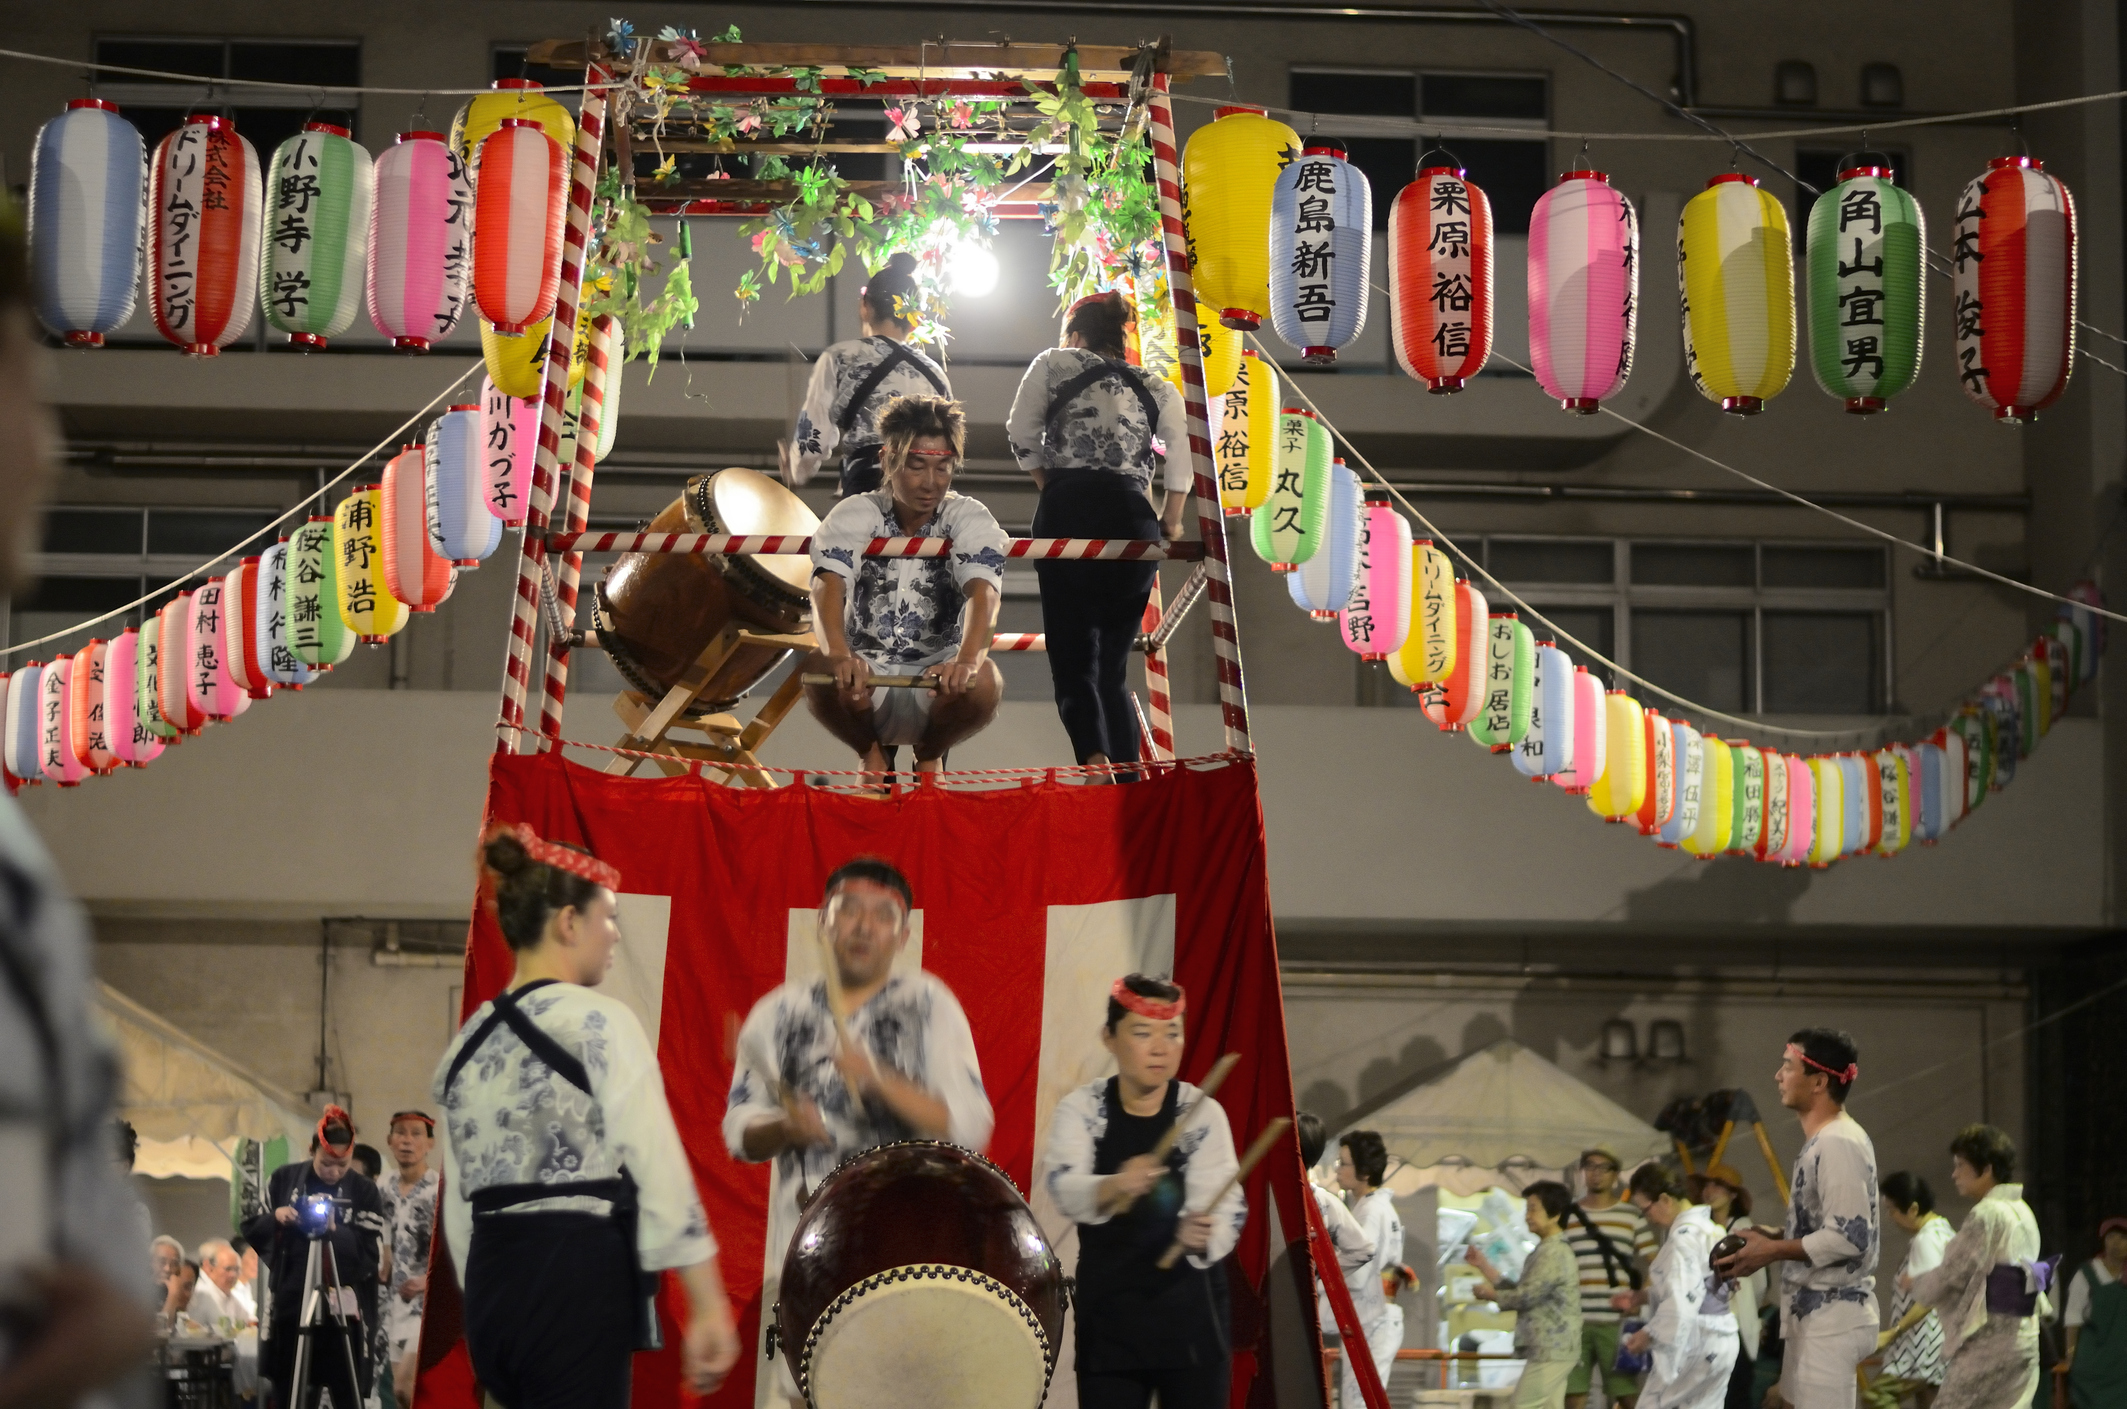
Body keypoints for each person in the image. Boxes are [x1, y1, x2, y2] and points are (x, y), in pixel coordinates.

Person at [434, 825, 739, 1409]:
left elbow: (459, 1213)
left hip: (494, 1286)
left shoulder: (467, 1044)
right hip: (573, 1273)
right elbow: (658, 1168)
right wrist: (706, 1302)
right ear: (568, 923)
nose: (615, 935)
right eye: (608, 917)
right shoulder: (601, 1023)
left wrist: (487, 1315)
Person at [725, 856, 993, 1408]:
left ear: (904, 933)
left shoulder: (929, 1007)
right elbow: (739, 1132)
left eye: (884, 915)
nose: (864, 926)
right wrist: (783, 1127)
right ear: (822, 921)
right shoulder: (777, 1014)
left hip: (909, 1262)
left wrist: (877, 1081)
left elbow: (970, 1127)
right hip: (804, 1262)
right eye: (849, 911)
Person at [1005, 290, 1191, 776]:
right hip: (1132, 519)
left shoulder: (1052, 362)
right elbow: (1183, 456)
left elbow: (1020, 433)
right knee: (1113, 667)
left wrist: (1050, 486)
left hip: (1066, 511)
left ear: (1076, 334)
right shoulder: (1156, 384)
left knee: (1072, 661)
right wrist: (1170, 518)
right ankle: (1129, 776)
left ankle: (1094, 761)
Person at [1039, 974, 1245, 1409]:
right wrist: (1115, 1185)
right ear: (1109, 1038)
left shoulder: (1202, 1113)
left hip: (1193, 1322)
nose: (1159, 1047)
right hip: (1111, 1318)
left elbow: (1224, 1204)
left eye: (1172, 1033)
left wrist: (1202, 1231)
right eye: (1142, 1032)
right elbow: (1064, 1187)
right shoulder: (1082, 1110)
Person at [800, 395, 1006, 777]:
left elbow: (985, 594)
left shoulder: (969, 515)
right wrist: (840, 654)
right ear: (887, 459)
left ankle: (930, 754)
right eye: (916, 466)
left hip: (938, 678)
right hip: (864, 677)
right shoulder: (855, 511)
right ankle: (870, 753)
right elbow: (827, 586)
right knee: (819, 665)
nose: (930, 483)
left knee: (986, 681)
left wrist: (966, 661)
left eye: (943, 468)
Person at [1715, 1030, 1880, 1409]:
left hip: (1832, 1319)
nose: (1778, 1075)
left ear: (1819, 1081)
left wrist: (1772, 1250)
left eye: (1788, 1066)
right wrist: (1775, 1235)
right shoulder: (1827, 1139)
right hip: (1817, 1316)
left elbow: (1849, 1238)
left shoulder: (1838, 1142)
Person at [241, 1106, 388, 1409]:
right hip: (293, 1301)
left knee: (346, 1389)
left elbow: (369, 1256)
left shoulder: (365, 1191)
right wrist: (277, 1217)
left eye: (342, 1165)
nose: (334, 1172)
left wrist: (336, 1230)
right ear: (311, 1150)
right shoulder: (283, 1179)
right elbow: (252, 1226)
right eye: (326, 1163)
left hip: (344, 1305)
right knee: (289, 1387)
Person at [783, 251, 952, 497]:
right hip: (924, 492)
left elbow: (813, 440)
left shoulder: (841, 356)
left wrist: (796, 470)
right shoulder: (936, 374)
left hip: (869, 483)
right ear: (915, 319)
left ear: (865, 306)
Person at [1903, 1125, 2046, 1409]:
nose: (1954, 1174)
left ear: (1986, 1169)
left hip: (1990, 1342)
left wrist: (1916, 1283)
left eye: (1961, 1166)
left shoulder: (1987, 1213)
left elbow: (1953, 1271)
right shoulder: (2023, 1211)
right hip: (2025, 1337)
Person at [1617, 1164, 1737, 1409]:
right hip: (1723, 1337)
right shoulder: (1712, 1228)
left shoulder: (1683, 1237)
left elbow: (1683, 1301)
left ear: (1664, 1199)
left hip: (1696, 1339)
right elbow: (1697, 1287)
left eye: (1646, 1209)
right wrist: (1643, 1297)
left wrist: (1648, 1334)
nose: (1648, 1217)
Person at [1470, 1180, 1583, 1409]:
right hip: (1555, 1347)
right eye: (1527, 1209)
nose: (1527, 1215)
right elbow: (1524, 1291)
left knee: (1522, 1405)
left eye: (1533, 1208)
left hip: (1552, 1347)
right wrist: (1485, 1267)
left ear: (1555, 1214)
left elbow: (1526, 1295)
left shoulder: (1553, 1252)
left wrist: (1492, 1295)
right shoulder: (1547, 1249)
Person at [1565, 1145, 1659, 1409]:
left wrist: (1637, 1299)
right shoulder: (1567, 1215)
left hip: (1615, 1322)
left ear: (1615, 1175)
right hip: (1575, 1321)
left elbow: (1658, 1262)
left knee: (1626, 1395)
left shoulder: (1631, 1215)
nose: (1596, 1174)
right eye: (1590, 1167)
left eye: (1603, 1168)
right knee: (1573, 1396)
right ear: (1583, 1172)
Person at [1295, 1112, 1377, 1385]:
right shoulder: (1325, 1200)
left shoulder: (1265, 1194)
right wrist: (1316, 1273)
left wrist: (1317, 1272)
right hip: (1302, 1311)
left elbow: (1363, 1249)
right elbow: (1362, 1249)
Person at [1867, 1172, 1950, 1409]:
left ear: (1912, 1209)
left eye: (1893, 1210)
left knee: (1876, 1398)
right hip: (1938, 1344)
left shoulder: (1927, 1240)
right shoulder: (1943, 1231)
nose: (1890, 1217)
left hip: (1923, 1346)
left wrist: (1893, 1332)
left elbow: (1930, 1296)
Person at [1334, 1130, 1405, 1408]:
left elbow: (1360, 1270)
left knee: (1358, 1403)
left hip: (1372, 1315)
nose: (1338, 1169)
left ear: (1364, 1172)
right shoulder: (1373, 1208)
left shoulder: (1371, 1211)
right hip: (1374, 1315)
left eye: (1343, 1163)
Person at [1686, 1164, 1765, 1409]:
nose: (1710, 1190)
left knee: (1734, 1394)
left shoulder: (1746, 1231)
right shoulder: (1699, 1229)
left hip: (1735, 1326)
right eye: (1707, 1184)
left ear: (1733, 1195)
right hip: (1704, 1326)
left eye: (1719, 1185)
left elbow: (1759, 1284)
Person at [376, 1110, 439, 1407]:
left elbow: (458, 1251)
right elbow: (383, 1227)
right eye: (400, 1133)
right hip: (394, 1304)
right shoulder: (384, 1187)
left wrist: (427, 1282)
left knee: (407, 1387)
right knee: (402, 1397)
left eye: (416, 1134)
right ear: (389, 1141)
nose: (407, 1141)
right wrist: (385, 1259)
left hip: (427, 1306)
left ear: (430, 1144)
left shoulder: (440, 1191)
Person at [2062, 1216, 2126, 1408]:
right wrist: (2070, 1355)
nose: (2115, 1243)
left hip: (2122, 1365)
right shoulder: (2087, 1273)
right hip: (2092, 1362)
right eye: (2111, 1236)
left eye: (2122, 1238)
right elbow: (2073, 1317)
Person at [187, 1240, 255, 1337]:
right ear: (208, 1267)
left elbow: (247, 1321)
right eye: (228, 1269)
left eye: (236, 1269)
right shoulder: (201, 1292)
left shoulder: (227, 1293)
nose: (233, 1275)